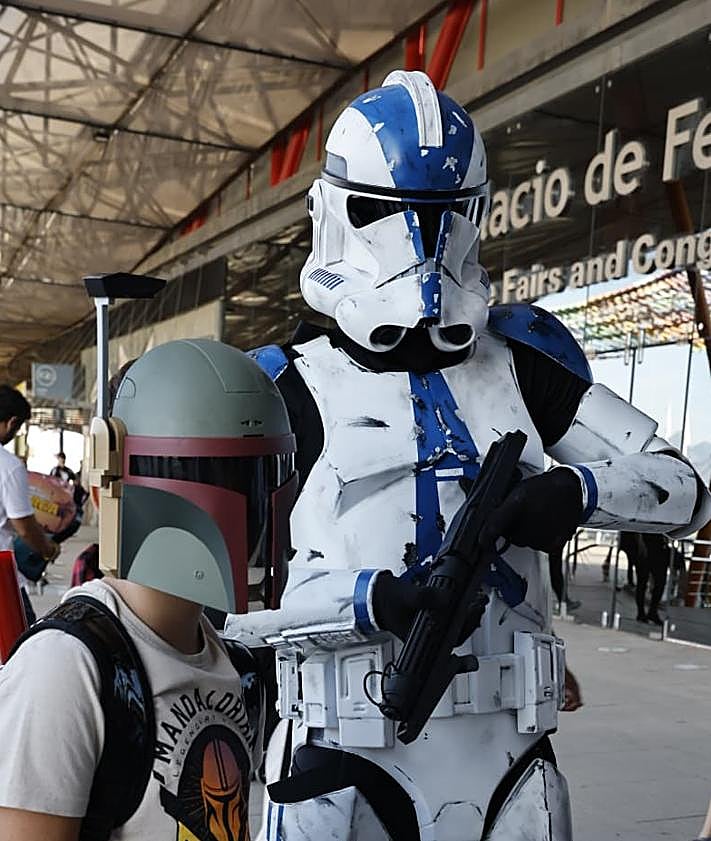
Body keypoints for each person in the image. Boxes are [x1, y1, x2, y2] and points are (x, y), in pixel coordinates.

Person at [226, 70, 711, 841]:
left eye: (441, 215)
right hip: (342, 751)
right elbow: (215, 615)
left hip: (508, 752)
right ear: (336, 212)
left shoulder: (523, 362)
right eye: (386, 213)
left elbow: (682, 488)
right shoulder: (273, 386)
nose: (417, 245)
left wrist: (575, 493)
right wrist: (362, 601)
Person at [0, 339, 299, 840]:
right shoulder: (67, 667)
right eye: (217, 475)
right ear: (111, 484)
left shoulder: (237, 666)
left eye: (257, 477)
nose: (248, 511)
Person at [0, 385, 60, 623]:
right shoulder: (9, 466)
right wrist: (48, 549)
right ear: (12, 422)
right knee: (21, 646)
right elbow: (24, 527)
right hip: (2, 580)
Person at [635, 531, 671, 625]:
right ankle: (644, 612)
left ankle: (650, 612)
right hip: (648, 547)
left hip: (657, 547)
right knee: (644, 583)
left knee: (658, 583)